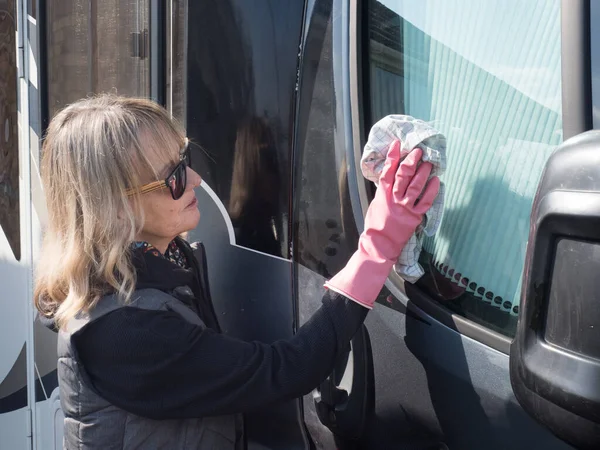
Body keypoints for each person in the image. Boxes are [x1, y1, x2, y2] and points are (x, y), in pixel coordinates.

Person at [34, 95, 440, 450]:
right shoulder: (124, 331)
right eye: (173, 178)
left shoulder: (157, 261)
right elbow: (283, 371)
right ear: (115, 209)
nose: (193, 177)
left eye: (184, 159)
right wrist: (379, 244)